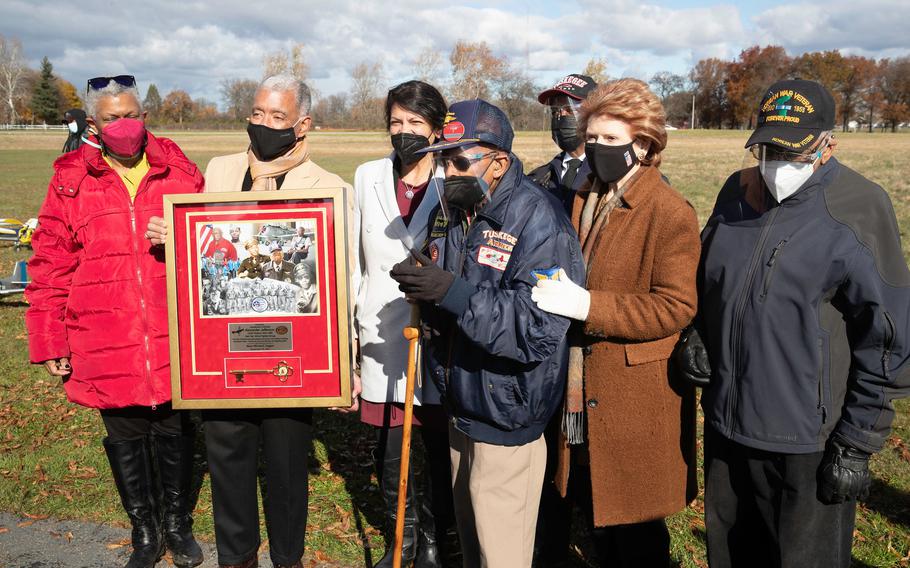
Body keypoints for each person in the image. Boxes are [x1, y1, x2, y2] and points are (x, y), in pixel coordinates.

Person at [696, 78, 910, 568]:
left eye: (792, 152)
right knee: (731, 555)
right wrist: (697, 331)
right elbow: (710, 278)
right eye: (767, 148)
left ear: (827, 144)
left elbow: (889, 337)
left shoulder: (858, 206)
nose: (776, 165)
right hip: (729, 425)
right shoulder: (737, 192)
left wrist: (857, 442)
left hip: (807, 441)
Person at [146, 74, 354, 568]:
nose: (263, 124)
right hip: (223, 354)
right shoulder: (217, 170)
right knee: (228, 463)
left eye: (277, 117)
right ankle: (235, 558)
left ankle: (288, 559)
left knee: (286, 470)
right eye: (257, 113)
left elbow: (338, 282)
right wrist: (172, 235)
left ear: (302, 125)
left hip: (293, 355)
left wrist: (344, 360)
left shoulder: (330, 189)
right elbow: (204, 249)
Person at [390, 99, 585, 568]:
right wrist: (429, 288)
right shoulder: (459, 210)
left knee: (503, 554)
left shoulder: (539, 220)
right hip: (462, 403)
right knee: (474, 549)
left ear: (498, 162)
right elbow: (461, 294)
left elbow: (538, 329)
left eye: (459, 160)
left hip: (506, 413)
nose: (447, 171)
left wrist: (452, 293)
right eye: (442, 158)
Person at [26, 75, 205, 568]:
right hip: (104, 333)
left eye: (130, 114)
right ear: (93, 123)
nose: (122, 125)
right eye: (111, 118)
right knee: (125, 433)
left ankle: (177, 523)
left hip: (170, 329)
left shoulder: (181, 171)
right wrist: (49, 340)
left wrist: (184, 237)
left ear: (144, 117)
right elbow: (49, 263)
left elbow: (214, 247)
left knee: (174, 427)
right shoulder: (70, 180)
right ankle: (144, 529)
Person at [530, 78, 700, 567]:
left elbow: (674, 306)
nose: (598, 148)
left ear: (642, 143)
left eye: (611, 139)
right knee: (592, 508)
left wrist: (587, 306)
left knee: (635, 532)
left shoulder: (669, 211)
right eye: (594, 138)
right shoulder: (585, 194)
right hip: (578, 389)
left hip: (634, 393)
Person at [351, 80, 450, 567]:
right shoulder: (368, 175)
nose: (404, 132)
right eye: (396, 123)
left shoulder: (454, 178)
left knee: (432, 442)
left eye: (415, 123)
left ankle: (432, 540)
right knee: (392, 451)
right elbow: (355, 262)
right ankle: (402, 541)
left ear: (436, 129)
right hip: (383, 334)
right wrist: (352, 338)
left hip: (435, 335)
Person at [528, 74, 596, 216]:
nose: (560, 117)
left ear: (593, 115)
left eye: (570, 111)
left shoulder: (606, 176)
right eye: (554, 112)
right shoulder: (538, 178)